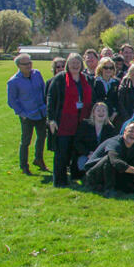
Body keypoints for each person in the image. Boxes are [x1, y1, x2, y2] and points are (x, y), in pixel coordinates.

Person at [46, 53, 93, 186]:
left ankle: (76, 175)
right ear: (68, 64)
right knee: (62, 152)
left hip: (81, 121)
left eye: (78, 62)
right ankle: (60, 180)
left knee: (77, 150)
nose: (75, 65)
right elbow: (51, 99)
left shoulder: (86, 79)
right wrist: (51, 119)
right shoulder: (60, 78)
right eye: (72, 62)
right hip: (64, 122)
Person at [84, 121, 134, 194]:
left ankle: (109, 187)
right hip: (94, 174)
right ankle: (108, 190)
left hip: (113, 173)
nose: (133, 134)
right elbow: (115, 162)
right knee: (110, 159)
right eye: (130, 131)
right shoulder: (115, 143)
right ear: (124, 131)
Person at [7, 53, 48, 175]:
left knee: (42, 137)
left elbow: (43, 89)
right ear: (19, 66)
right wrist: (21, 113)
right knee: (26, 141)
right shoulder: (14, 81)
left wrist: (45, 106)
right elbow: (12, 101)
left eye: (30, 62)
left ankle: (38, 159)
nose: (29, 65)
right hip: (27, 115)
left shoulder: (37, 74)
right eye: (26, 64)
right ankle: (24, 165)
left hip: (41, 112)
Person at [74, 101, 118, 174]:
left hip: (102, 157)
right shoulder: (85, 125)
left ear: (107, 113)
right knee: (83, 164)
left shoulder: (110, 128)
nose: (101, 113)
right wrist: (87, 153)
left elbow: (113, 145)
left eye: (103, 111)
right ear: (93, 113)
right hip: (86, 155)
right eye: (98, 110)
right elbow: (77, 142)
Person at [92, 57, 120, 121]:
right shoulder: (94, 81)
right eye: (106, 68)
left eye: (111, 68)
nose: (108, 70)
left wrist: (114, 114)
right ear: (101, 68)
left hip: (112, 116)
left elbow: (118, 100)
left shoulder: (116, 82)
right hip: (98, 115)